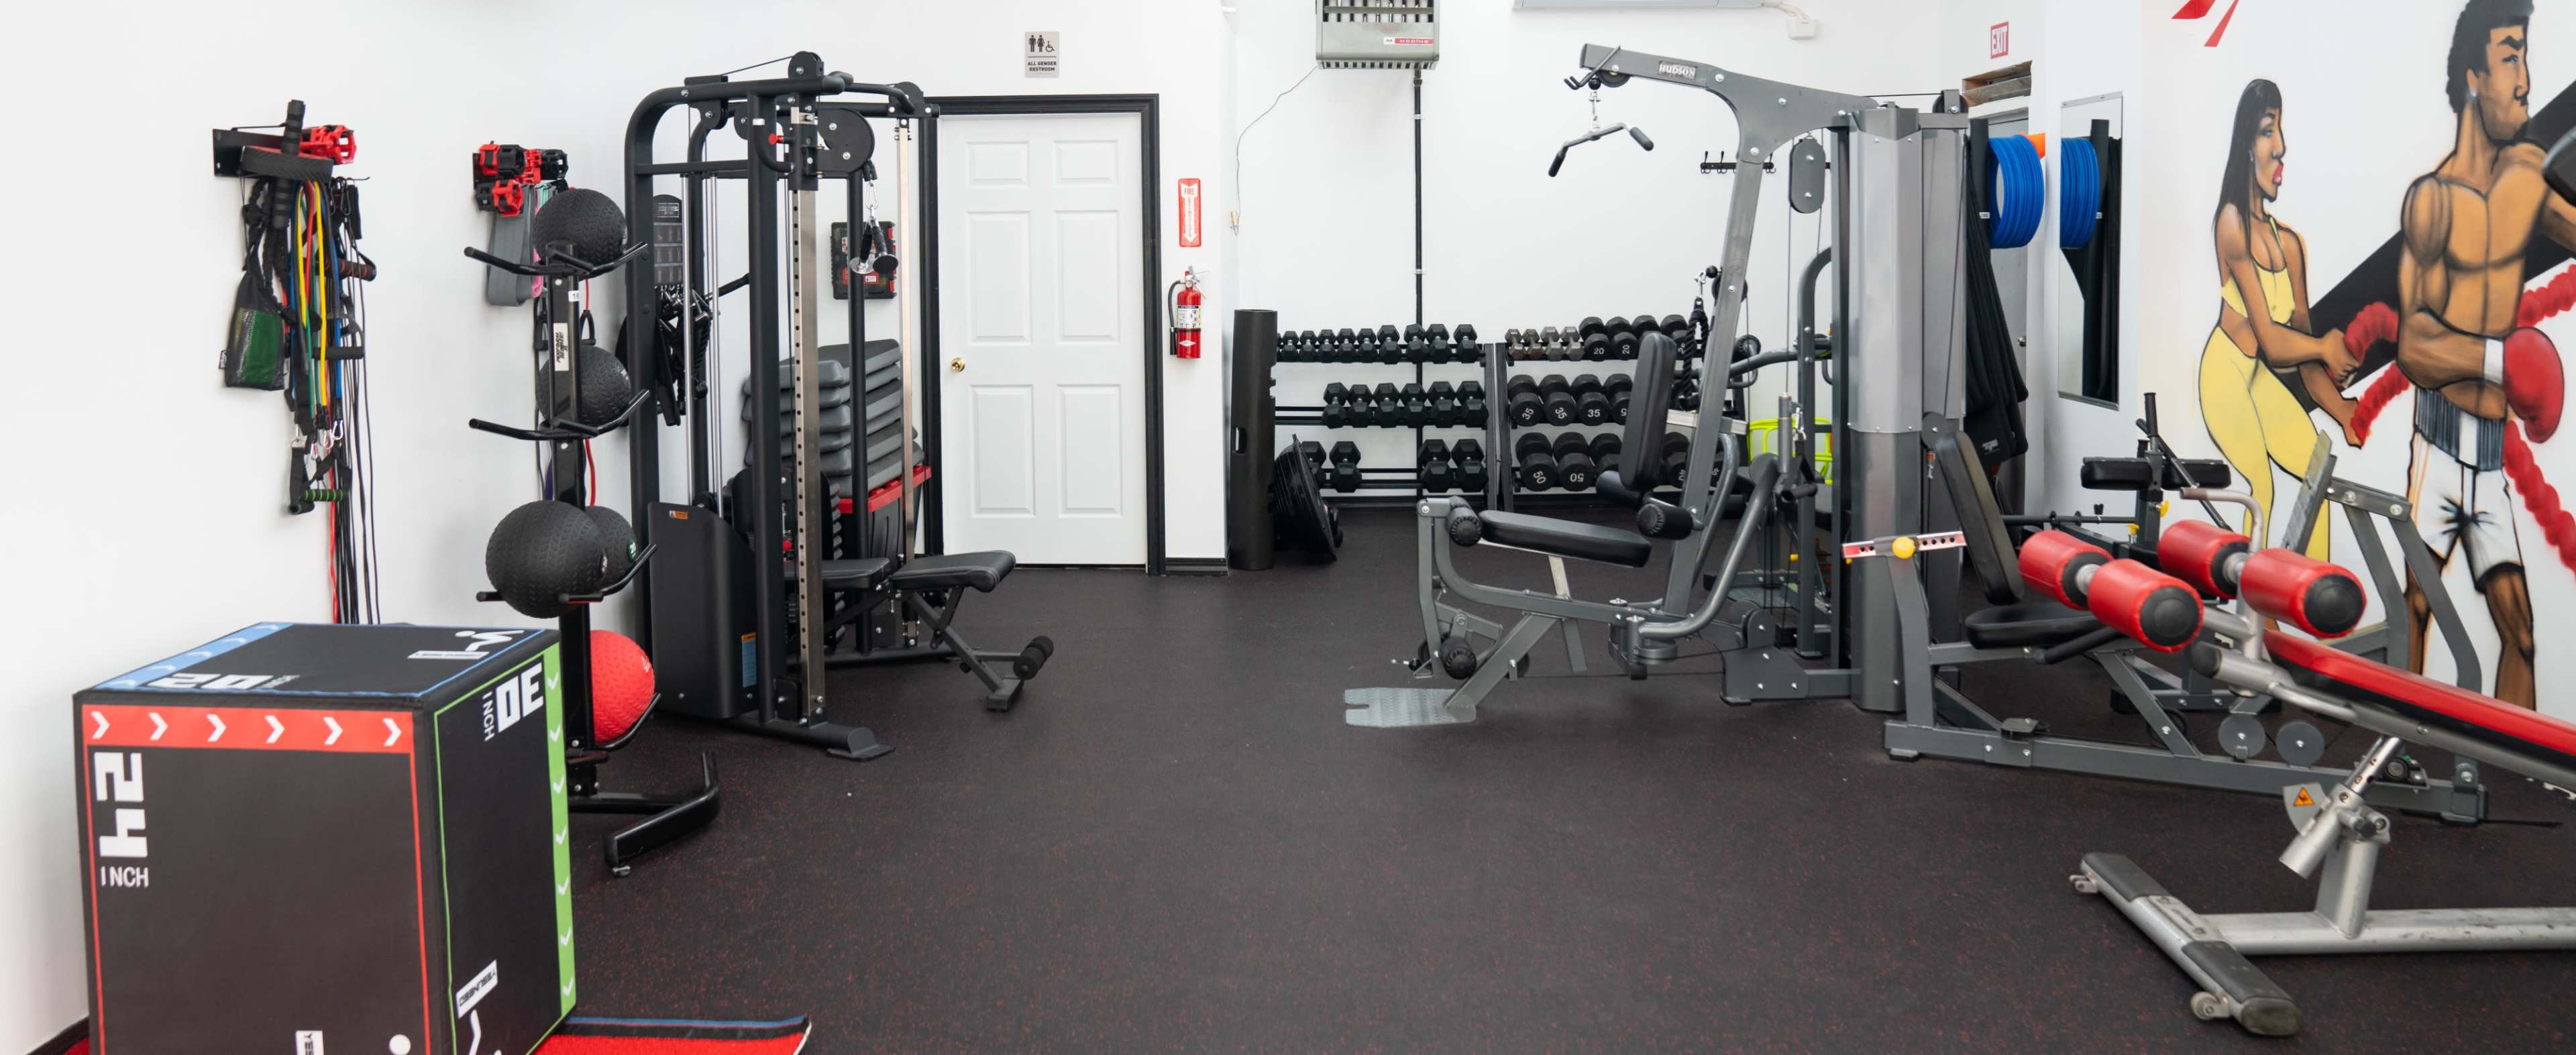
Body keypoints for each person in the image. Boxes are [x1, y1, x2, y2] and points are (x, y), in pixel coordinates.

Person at [2393, 0, 2571, 709]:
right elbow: (2414, 344)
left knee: (2519, 633)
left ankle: (2518, 773)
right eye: (2509, 56)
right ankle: (2394, 757)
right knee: (2412, 613)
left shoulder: (2530, 176)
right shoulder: (2433, 202)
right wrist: (2506, 364)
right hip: (2436, 454)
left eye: (2526, 55)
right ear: (2473, 77)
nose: (2526, 79)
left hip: (2490, 463)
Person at [2199, 78, 2355, 561]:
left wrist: (2341, 410)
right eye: (2269, 131)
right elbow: (2271, 339)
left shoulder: (2290, 244)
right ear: (2247, 144)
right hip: (2225, 374)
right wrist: (2326, 347)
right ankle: (2256, 625)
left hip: (2258, 378)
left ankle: (2318, 617)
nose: (2281, 146)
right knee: (2260, 491)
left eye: (2281, 131)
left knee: (2316, 475)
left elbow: (2304, 351)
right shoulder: (2231, 225)